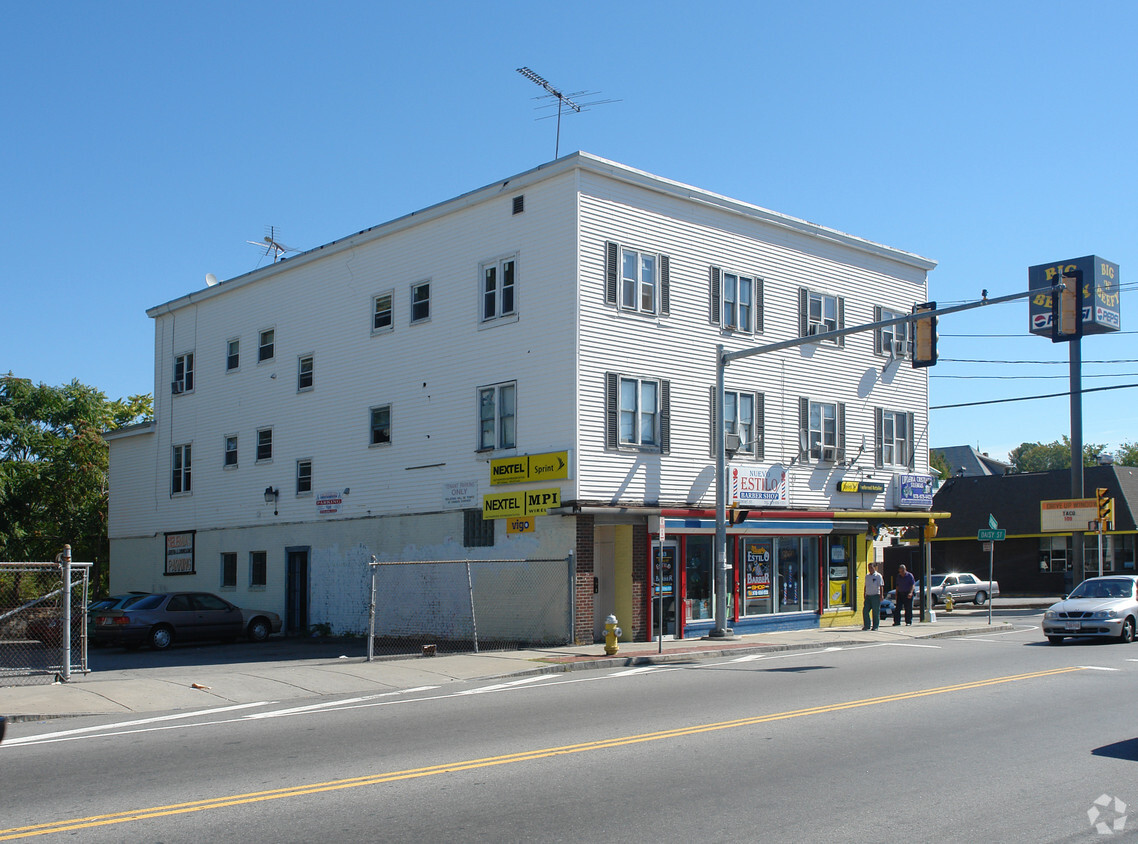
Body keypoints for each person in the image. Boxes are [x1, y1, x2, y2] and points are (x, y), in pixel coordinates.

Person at [863, 561, 884, 630]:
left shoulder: (878, 576)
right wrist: (864, 593)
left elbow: (881, 586)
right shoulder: (867, 576)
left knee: (875, 612)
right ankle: (867, 625)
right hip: (868, 595)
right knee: (865, 611)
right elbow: (865, 585)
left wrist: (881, 595)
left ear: (874, 568)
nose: (870, 569)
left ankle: (875, 626)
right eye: (869, 568)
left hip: (876, 595)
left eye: (871, 568)